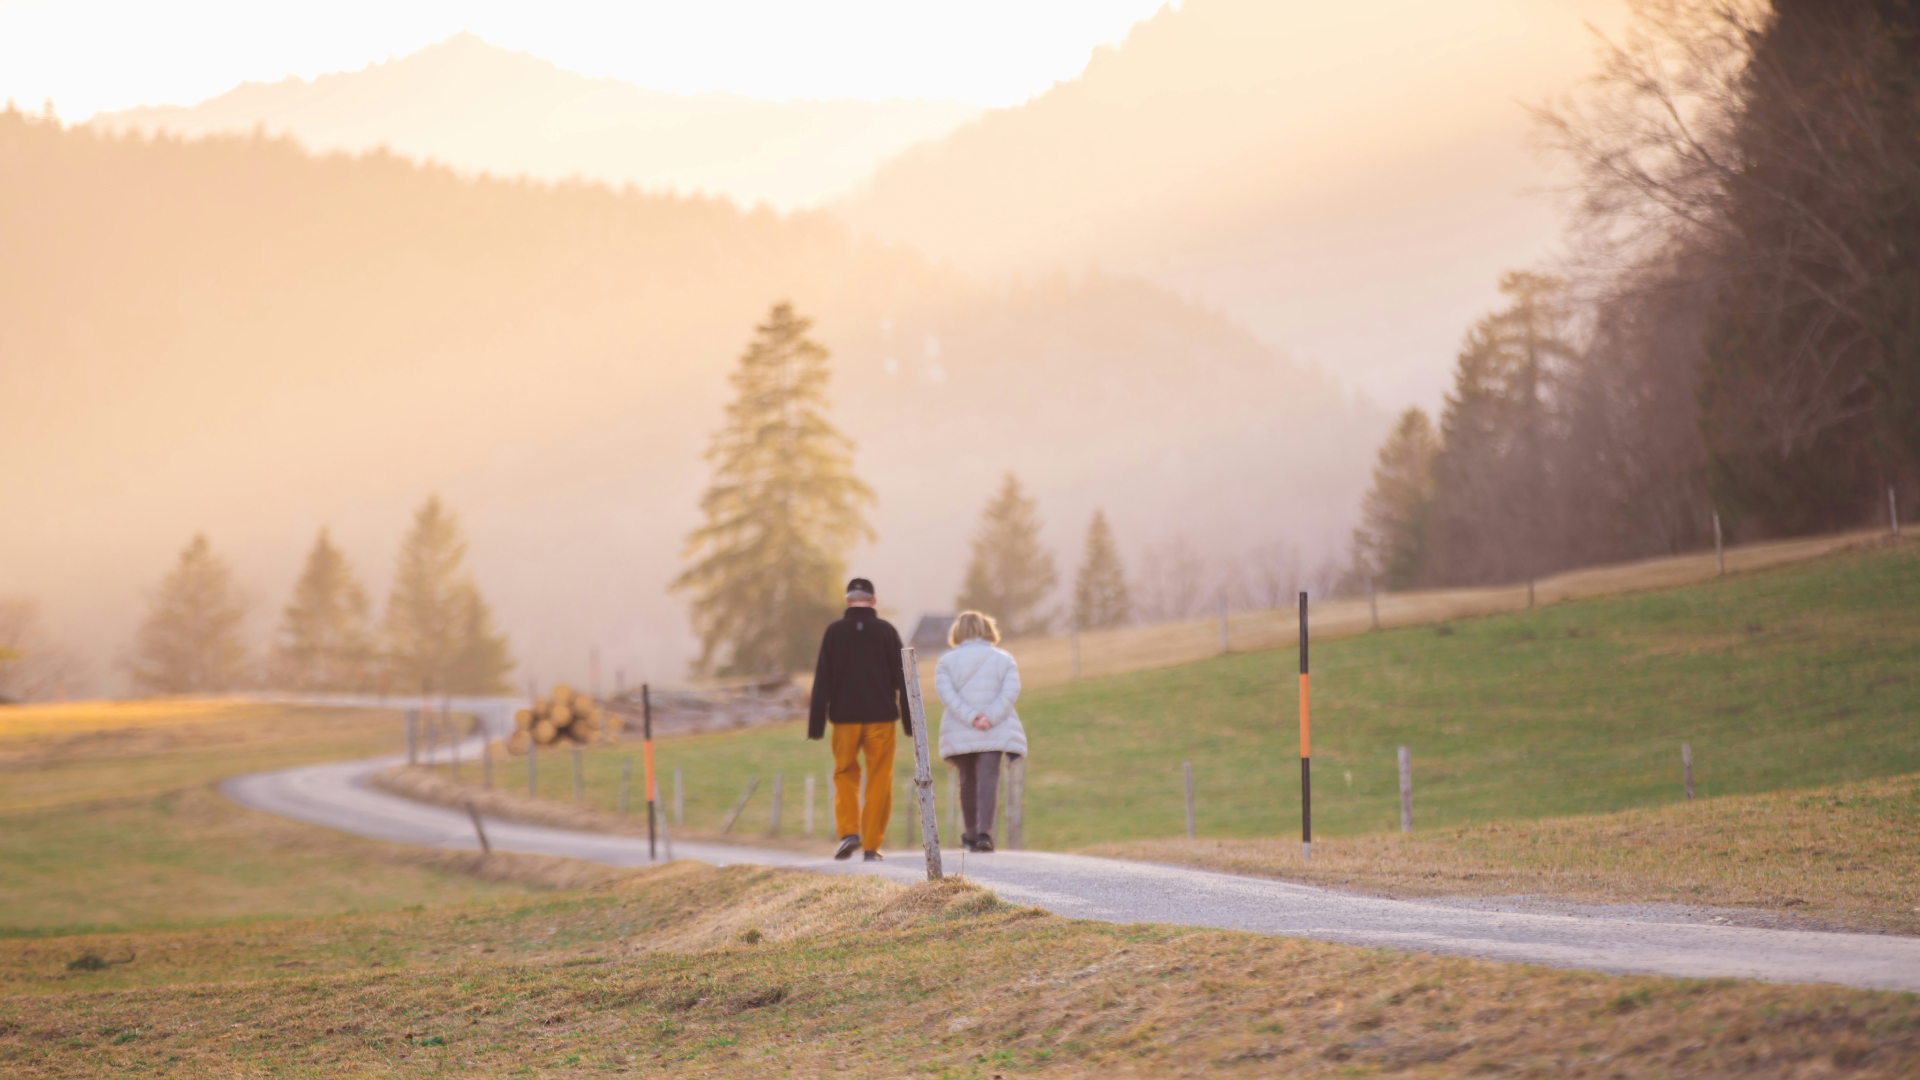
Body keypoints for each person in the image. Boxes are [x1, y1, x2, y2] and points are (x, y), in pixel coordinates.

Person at [807, 577, 911, 861]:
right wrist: (910, 723)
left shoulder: (834, 632)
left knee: (845, 774)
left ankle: (849, 833)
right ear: (873, 600)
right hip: (881, 719)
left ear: (847, 601)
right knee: (879, 779)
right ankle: (871, 846)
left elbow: (822, 679)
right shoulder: (887, 632)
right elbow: (904, 678)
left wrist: (816, 725)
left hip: (845, 720)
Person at [934, 610, 1025, 853]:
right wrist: (989, 717)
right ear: (987, 629)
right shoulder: (1004, 659)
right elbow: (1010, 692)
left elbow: (947, 695)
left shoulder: (946, 661)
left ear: (958, 631)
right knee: (989, 779)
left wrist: (971, 717)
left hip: (960, 728)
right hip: (993, 731)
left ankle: (971, 834)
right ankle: (985, 833)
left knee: (967, 780)